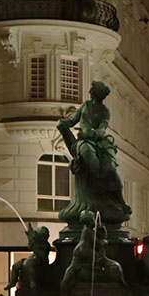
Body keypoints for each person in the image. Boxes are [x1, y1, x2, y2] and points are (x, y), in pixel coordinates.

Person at [56, 81, 131, 229]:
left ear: (98, 94)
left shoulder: (105, 111)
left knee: (110, 168)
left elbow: (102, 127)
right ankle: (96, 194)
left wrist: (95, 133)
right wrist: (64, 123)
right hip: (84, 140)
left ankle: (119, 200)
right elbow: (72, 121)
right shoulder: (85, 106)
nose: (90, 93)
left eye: (93, 91)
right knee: (90, 160)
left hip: (100, 141)